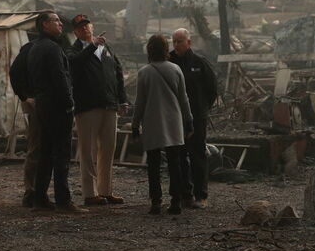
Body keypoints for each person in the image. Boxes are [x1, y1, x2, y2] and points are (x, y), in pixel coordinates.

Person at [67, 14, 128, 206]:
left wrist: (123, 100)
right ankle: (90, 193)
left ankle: (106, 190)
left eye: (87, 25)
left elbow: (117, 73)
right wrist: (92, 46)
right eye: (80, 27)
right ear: (75, 32)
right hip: (87, 107)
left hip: (109, 104)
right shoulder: (73, 50)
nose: (85, 29)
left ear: (92, 27)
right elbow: (75, 64)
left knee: (108, 149)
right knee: (88, 150)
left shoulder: (105, 49)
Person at [27, 11, 85, 213]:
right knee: (61, 154)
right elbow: (60, 78)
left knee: (45, 153)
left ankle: (40, 198)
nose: (61, 24)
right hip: (57, 106)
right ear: (44, 25)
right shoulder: (52, 49)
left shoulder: (35, 48)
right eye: (56, 21)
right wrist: (69, 103)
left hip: (42, 105)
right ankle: (63, 200)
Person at [131, 34, 193, 215]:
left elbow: (139, 103)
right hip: (174, 122)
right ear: (166, 49)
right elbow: (184, 99)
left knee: (153, 164)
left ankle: (156, 201)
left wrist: (135, 125)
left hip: (152, 122)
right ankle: (176, 201)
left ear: (149, 50)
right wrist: (189, 121)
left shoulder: (144, 72)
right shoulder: (176, 69)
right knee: (175, 163)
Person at [170, 28, 219, 209]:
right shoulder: (169, 62)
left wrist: (202, 109)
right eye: (174, 41)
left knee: (197, 155)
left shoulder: (199, 63)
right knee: (179, 156)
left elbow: (212, 89)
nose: (176, 45)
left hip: (197, 117)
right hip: (175, 118)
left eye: (180, 41)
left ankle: (201, 195)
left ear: (188, 42)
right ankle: (185, 194)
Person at [9, 38, 39, 208]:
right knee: (35, 147)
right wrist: (25, 96)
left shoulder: (58, 47)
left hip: (51, 105)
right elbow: (14, 72)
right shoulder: (31, 47)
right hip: (35, 103)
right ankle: (30, 191)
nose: (59, 25)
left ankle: (40, 191)